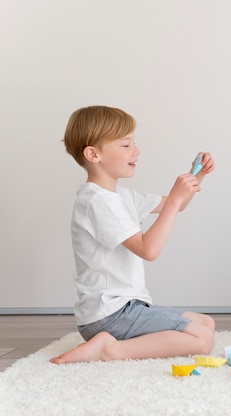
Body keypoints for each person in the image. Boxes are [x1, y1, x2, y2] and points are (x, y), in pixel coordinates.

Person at [50, 105, 216, 364]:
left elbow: (178, 204)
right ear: (93, 154)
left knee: (206, 323)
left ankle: (112, 344)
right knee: (202, 340)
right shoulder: (97, 201)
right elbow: (148, 250)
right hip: (109, 315)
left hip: (129, 307)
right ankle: (110, 349)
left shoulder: (123, 196)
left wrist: (198, 175)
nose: (136, 151)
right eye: (126, 145)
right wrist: (173, 201)